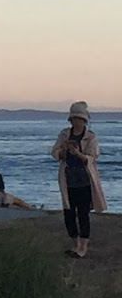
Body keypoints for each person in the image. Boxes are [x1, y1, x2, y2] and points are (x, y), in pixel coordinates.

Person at [51, 102, 107, 259]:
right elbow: (54, 153)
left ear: (84, 120)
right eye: (75, 119)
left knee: (83, 214)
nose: (77, 122)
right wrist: (63, 150)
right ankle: (75, 243)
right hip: (68, 180)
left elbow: (92, 157)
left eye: (80, 119)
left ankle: (83, 246)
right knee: (68, 213)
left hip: (85, 180)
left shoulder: (91, 137)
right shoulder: (64, 134)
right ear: (71, 120)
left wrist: (77, 153)